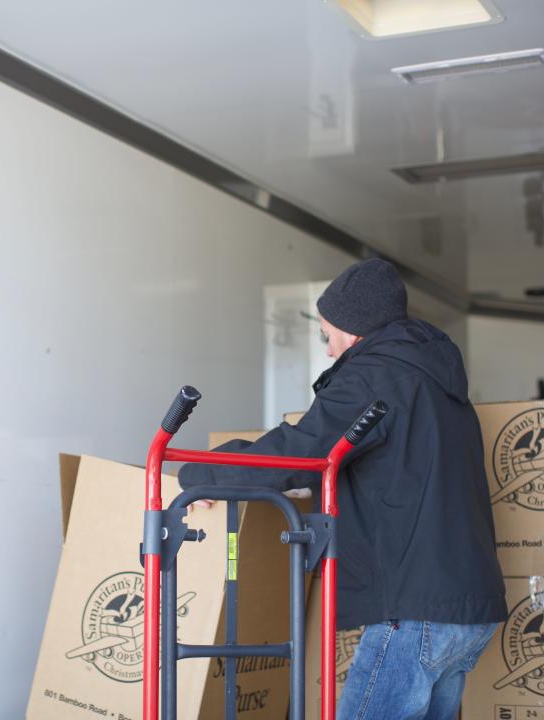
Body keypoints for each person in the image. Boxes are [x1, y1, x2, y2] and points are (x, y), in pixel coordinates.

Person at [178, 258, 507, 720]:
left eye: (327, 334)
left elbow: (302, 450)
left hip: (415, 612)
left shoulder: (374, 376)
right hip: (468, 606)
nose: (329, 350)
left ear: (354, 330)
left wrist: (202, 474)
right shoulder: (432, 378)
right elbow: (375, 460)